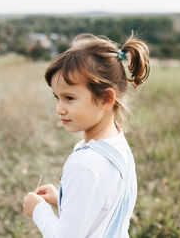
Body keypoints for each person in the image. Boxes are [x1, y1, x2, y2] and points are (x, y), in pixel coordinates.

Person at [22, 33, 150, 237]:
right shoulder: (117, 146)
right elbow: (104, 206)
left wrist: (38, 211)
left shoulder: (86, 163)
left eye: (69, 98)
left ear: (106, 99)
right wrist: (62, 199)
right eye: (57, 98)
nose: (59, 109)